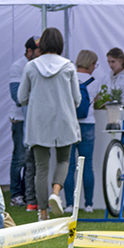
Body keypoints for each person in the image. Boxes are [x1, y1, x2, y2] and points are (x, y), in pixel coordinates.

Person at [18, 27, 81, 221]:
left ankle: (43, 212)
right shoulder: (68, 66)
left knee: (41, 168)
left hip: (38, 122)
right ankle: (55, 192)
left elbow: (21, 97)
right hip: (64, 120)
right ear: (61, 44)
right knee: (63, 160)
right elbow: (77, 99)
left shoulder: (31, 66)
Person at [64, 49, 101, 213]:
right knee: (87, 166)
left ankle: (69, 204)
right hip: (88, 124)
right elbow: (95, 101)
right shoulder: (95, 82)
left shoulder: (68, 78)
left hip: (70, 124)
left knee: (68, 165)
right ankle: (88, 204)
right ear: (91, 64)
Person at [8, 36, 39, 208]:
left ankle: (28, 193)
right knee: (19, 157)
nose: (41, 53)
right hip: (20, 119)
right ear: (29, 51)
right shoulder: (18, 66)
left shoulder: (38, 64)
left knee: (31, 158)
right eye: (38, 50)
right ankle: (16, 194)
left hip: (34, 118)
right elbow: (17, 97)